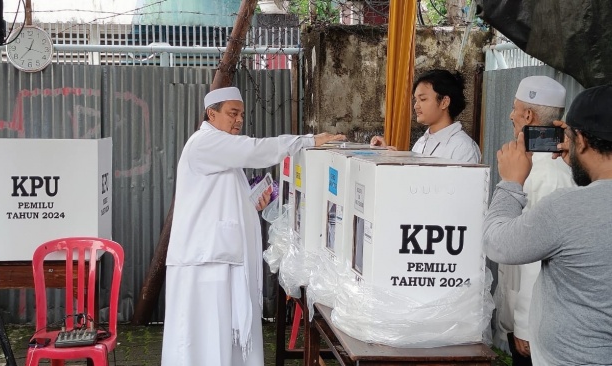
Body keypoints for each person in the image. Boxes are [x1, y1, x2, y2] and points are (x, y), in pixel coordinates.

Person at [161, 86, 344, 366]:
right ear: (212, 114)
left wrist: (250, 203)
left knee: (224, 340)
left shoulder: (220, 147)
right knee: (204, 340)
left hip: (220, 259)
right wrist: (307, 141)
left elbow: (220, 198)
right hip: (204, 264)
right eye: (232, 113)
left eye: (241, 115)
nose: (238, 120)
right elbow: (255, 150)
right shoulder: (205, 143)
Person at [483, 85, 612, 365]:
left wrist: (510, 183)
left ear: (581, 140)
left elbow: (498, 244)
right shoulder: (578, 197)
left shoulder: (565, 206)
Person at [494, 75, 574, 365]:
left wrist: (526, 325)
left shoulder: (550, 174)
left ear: (528, 115)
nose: (511, 115)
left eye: (515, 109)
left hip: (539, 323)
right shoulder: (532, 164)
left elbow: (537, 259)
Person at [370, 69, 481, 163]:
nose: (416, 106)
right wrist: (390, 158)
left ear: (444, 102)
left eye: (422, 99)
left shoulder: (463, 148)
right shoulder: (421, 142)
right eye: (416, 100)